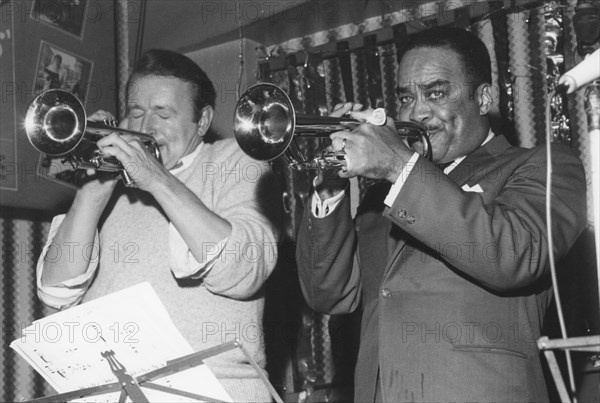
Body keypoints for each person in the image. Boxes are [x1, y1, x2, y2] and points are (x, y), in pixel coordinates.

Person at [296, 27, 587, 402]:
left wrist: (398, 165)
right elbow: (329, 295)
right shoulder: (382, 196)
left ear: (483, 99)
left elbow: (515, 255)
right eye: (405, 97)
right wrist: (330, 182)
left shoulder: (544, 165)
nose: (417, 111)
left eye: (436, 93)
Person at [36, 49, 279, 402]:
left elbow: (244, 269)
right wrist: (94, 188)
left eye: (162, 114)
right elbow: (55, 291)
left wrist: (157, 179)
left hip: (216, 392)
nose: (145, 127)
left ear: (202, 121)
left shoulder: (233, 159)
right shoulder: (109, 182)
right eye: (135, 112)